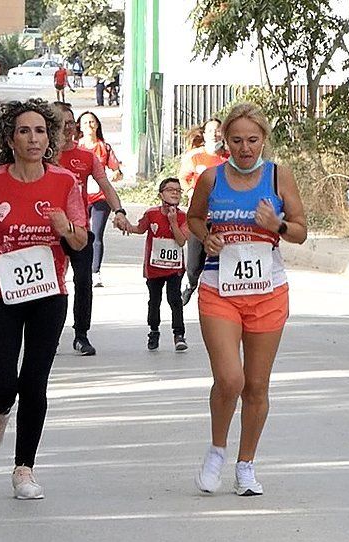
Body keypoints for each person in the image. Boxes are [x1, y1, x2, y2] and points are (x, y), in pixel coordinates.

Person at [0, 98, 88, 500]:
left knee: (34, 382)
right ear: (10, 138)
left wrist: (64, 225)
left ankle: (24, 468)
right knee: (2, 384)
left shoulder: (64, 182)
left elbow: (81, 239)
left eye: (40, 131)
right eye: (24, 131)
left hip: (48, 294)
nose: (34, 138)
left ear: (49, 138)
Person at [187, 102, 307, 496]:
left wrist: (279, 224)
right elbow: (194, 218)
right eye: (236, 140)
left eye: (252, 140)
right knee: (230, 378)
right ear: (225, 140)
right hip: (219, 286)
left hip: (268, 289)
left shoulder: (278, 176)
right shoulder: (210, 178)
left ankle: (246, 465)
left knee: (256, 386)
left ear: (263, 140)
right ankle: (217, 450)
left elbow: (301, 232)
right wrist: (207, 236)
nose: (244, 148)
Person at [53, 102, 129, 356]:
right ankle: (48, 332)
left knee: (83, 280)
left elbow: (105, 184)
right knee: (53, 284)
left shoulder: (86, 157)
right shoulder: (42, 156)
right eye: (61, 122)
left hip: (79, 230)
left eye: (70, 121)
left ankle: (81, 334)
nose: (67, 127)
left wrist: (119, 211)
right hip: (47, 232)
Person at [127, 178, 190, 351]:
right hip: (154, 267)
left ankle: (179, 334)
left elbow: (181, 240)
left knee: (174, 299)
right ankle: (153, 331)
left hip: (174, 268)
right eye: (170, 190)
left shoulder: (184, 217)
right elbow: (139, 229)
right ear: (161, 194)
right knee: (154, 300)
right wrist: (125, 225)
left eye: (178, 190)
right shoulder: (151, 214)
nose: (175, 193)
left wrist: (173, 222)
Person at [178, 118, 229, 305]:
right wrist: (192, 192)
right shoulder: (195, 156)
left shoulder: (230, 157)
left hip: (223, 217)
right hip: (199, 216)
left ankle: (217, 296)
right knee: (194, 264)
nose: (214, 134)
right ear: (204, 134)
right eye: (210, 131)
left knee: (220, 259)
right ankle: (191, 284)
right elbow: (183, 179)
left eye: (218, 131)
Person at [76, 110, 123, 288]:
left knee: (96, 234)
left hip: (100, 197)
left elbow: (116, 170)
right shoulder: (75, 147)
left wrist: (116, 173)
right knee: (78, 233)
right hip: (79, 197)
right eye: (85, 122)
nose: (89, 126)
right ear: (79, 126)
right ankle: (77, 267)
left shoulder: (104, 147)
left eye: (92, 122)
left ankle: (95, 272)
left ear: (97, 126)